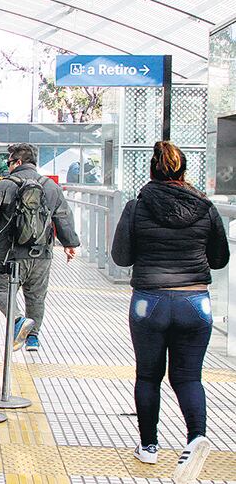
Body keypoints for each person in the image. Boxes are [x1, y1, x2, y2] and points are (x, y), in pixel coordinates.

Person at [111, 141, 229, 481]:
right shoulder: (206, 208)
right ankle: (196, 439)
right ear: (183, 171)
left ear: (152, 170)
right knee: (188, 377)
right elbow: (220, 258)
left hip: (150, 301)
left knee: (149, 375)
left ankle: (149, 447)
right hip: (195, 302)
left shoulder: (137, 206)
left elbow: (121, 257)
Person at [0, 143, 79, 351]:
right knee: (36, 295)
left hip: (9, 255)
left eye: (9, 162)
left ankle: (17, 320)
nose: (8, 166)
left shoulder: (2, 186)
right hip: (42, 253)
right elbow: (63, 216)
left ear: (18, 162)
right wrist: (69, 244)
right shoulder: (50, 186)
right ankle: (32, 338)